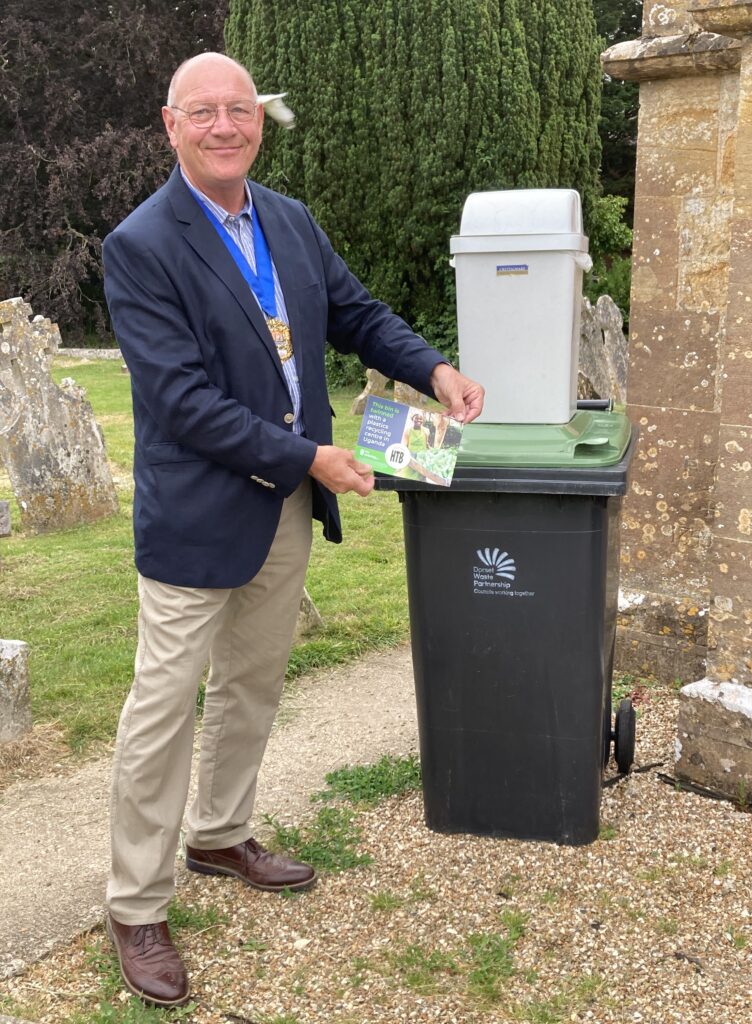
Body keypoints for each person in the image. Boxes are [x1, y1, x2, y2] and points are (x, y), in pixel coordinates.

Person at [101, 51, 484, 1008]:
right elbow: (182, 402)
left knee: (254, 682)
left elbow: (354, 314)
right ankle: (135, 903)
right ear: (171, 124)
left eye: (241, 110)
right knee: (162, 710)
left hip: (280, 507)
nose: (226, 125)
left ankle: (221, 834)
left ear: (259, 123)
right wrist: (311, 458)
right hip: (199, 514)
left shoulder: (290, 220)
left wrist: (434, 369)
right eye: (205, 113)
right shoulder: (141, 244)